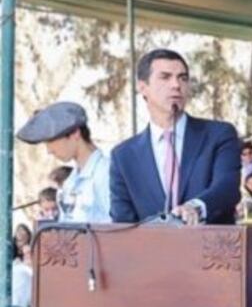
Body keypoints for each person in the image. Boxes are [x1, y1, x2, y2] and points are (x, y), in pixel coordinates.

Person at [109, 49, 240, 224]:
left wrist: (196, 208)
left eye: (182, 78)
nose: (176, 85)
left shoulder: (218, 135)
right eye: (165, 77)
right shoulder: (123, 156)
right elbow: (122, 222)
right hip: (151, 250)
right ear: (142, 87)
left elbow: (227, 188)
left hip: (211, 248)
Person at [16, 101, 111, 224]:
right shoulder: (70, 181)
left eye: (51, 141)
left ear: (75, 133)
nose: (49, 150)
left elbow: (118, 231)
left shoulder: (106, 173)